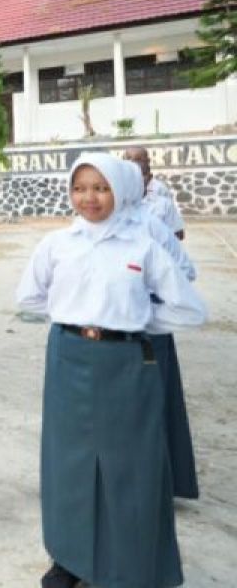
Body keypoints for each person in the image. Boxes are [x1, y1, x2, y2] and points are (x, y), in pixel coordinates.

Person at [16, 153, 206, 588]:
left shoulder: (142, 246)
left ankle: (131, 561)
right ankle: (68, 558)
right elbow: (28, 297)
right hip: (68, 359)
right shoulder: (56, 244)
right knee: (69, 462)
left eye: (100, 188)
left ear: (119, 192)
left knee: (129, 466)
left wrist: (135, 322)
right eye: (80, 188)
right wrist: (73, 320)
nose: (90, 198)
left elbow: (189, 309)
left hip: (125, 365)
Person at [117, 161, 200, 501]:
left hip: (148, 330)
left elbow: (185, 269)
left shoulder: (152, 223)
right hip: (112, 334)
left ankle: (159, 484)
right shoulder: (89, 226)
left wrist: (150, 306)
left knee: (154, 406)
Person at [124, 147, 186, 241]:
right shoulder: (118, 191)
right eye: (128, 158)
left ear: (147, 161)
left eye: (138, 160)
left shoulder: (160, 191)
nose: (132, 163)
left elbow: (176, 231)